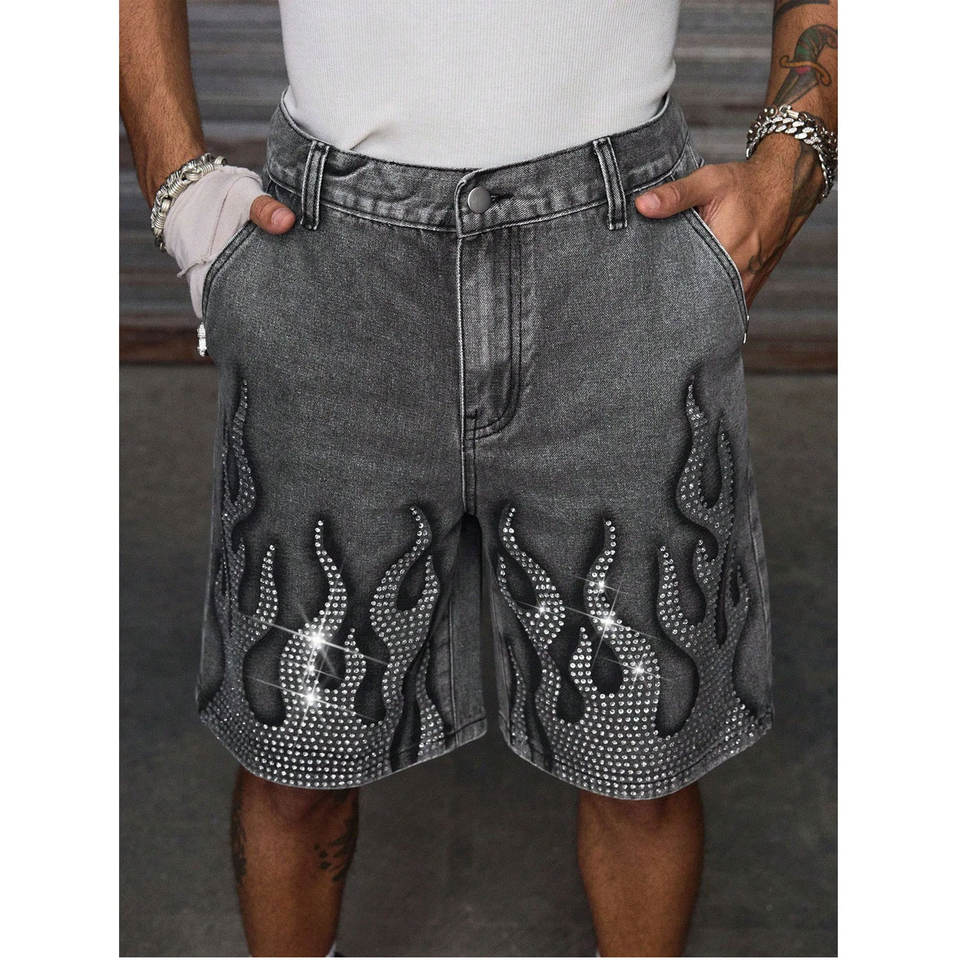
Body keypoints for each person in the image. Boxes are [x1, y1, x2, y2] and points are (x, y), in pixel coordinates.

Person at [120, 1, 837, 955]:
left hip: (620, 256)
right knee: (294, 758)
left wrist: (791, 162)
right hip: (331, 262)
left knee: (645, 766)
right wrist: (174, 182)